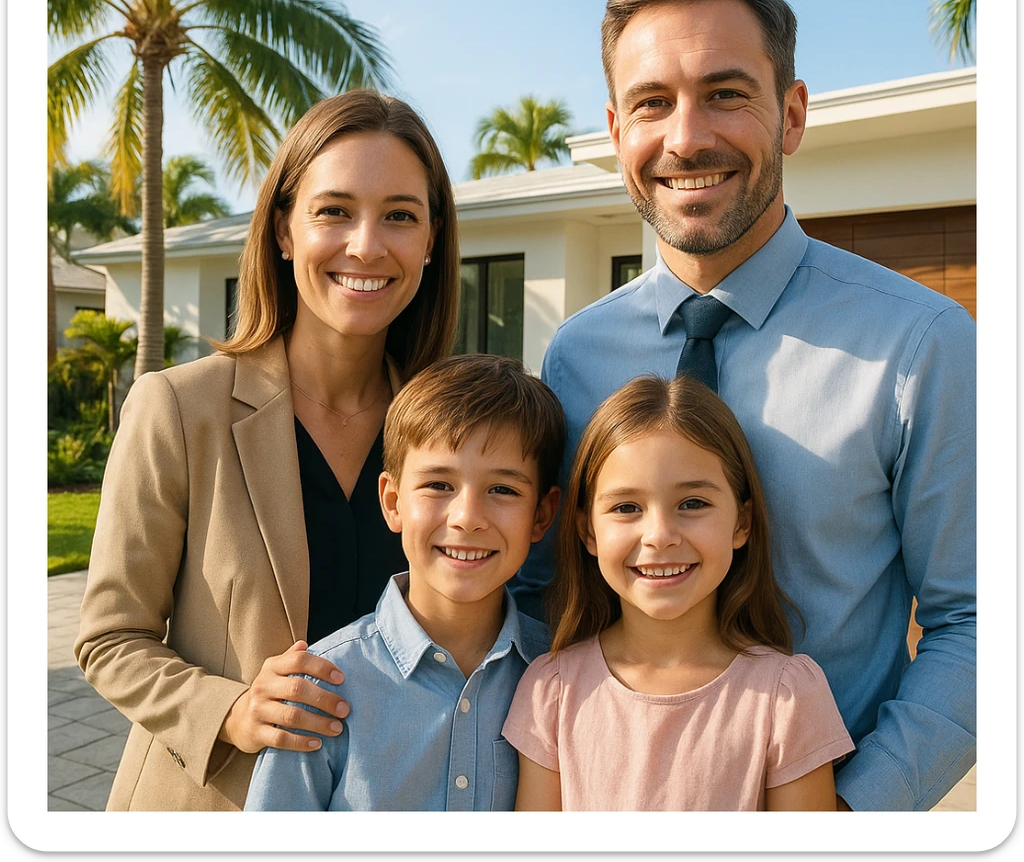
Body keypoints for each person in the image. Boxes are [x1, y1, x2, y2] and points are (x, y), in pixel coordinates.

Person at [511, 0, 976, 812]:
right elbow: (545, 594)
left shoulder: (923, 344)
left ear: (792, 114)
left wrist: (851, 816)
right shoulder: (576, 356)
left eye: (726, 93)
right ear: (617, 130)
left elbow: (979, 621)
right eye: (652, 102)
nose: (686, 137)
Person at [74, 90, 461, 811]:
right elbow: (109, 638)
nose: (367, 245)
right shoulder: (181, 408)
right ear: (284, 229)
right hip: (216, 805)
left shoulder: (455, 428)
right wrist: (229, 709)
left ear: (432, 239)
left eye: (400, 216)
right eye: (334, 211)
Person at [504, 375, 854, 811]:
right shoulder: (552, 691)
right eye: (626, 507)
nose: (660, 536)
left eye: (692, 503)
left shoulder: (787, 696)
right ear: (586, 530)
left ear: (742, 523)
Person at [243, 353, 565, 810]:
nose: (467, 518)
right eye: (438, 485)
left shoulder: (562, 678)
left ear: (542, 515)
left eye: (503, 490)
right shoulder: (321, 687)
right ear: (392, 501)